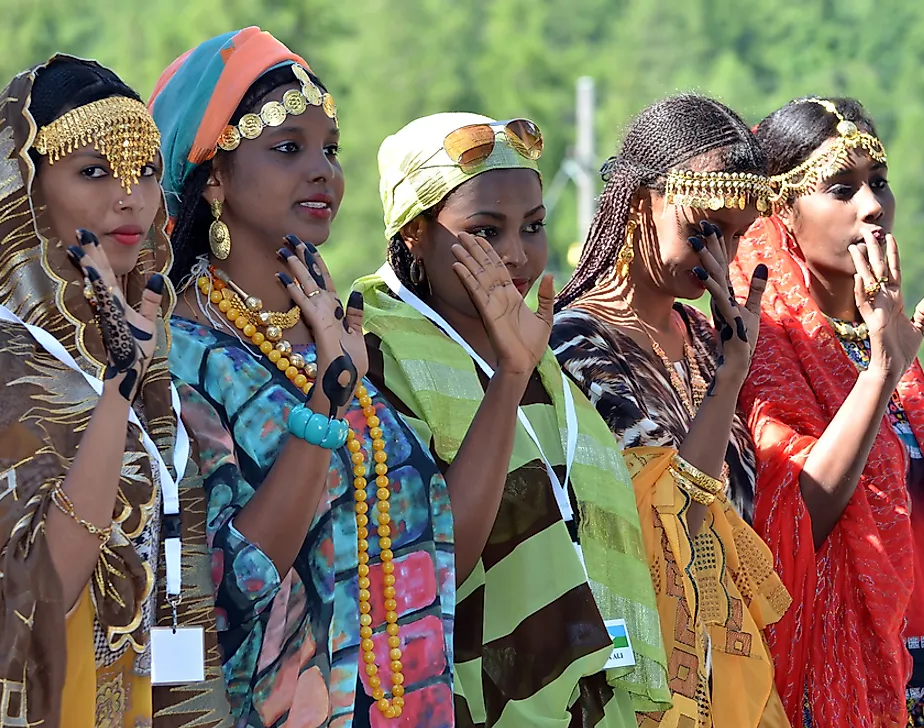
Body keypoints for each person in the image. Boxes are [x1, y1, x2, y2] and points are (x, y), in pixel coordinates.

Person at [149, 28, 456, 727]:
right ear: (215, 176)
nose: (322, 170)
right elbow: (227, 589)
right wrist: (326, 400)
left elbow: (430, 546)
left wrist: (510, 378)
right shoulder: (181, 357)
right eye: (289, 148)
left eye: (329, 149)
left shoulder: (335, 334)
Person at [0, 56, 215, 727]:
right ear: (25, 190)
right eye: (94, 171)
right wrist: (118, 392)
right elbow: (41, 589)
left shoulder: (143, 344)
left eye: (143, 171)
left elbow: (173, 570)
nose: (131, 197)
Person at [353, 112, 671, 727]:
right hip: (466, 702)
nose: (515, 254)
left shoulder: (549, 366)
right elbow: (439, 558)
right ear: (415, 231)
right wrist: (507, 375)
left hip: (589, 704)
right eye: (484, 230)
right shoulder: (374, 355)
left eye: (533, 226)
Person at [731, 96, 924, 726]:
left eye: (878, 182)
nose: (873, 206)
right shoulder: (763, 349)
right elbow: (793, 520)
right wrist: (881, 372)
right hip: (841, 678)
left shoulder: (885, 340)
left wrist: (887, 359)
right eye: (841, 188)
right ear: (781, 211)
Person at [551, 94, 791, 728]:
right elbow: (669, 518)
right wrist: (733, 376)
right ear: (640, 204)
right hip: (629, 678)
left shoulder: (710, 342)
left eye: (737, 238)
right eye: (705, 230)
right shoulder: (570, 343)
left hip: (725, 676)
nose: (723, 259)